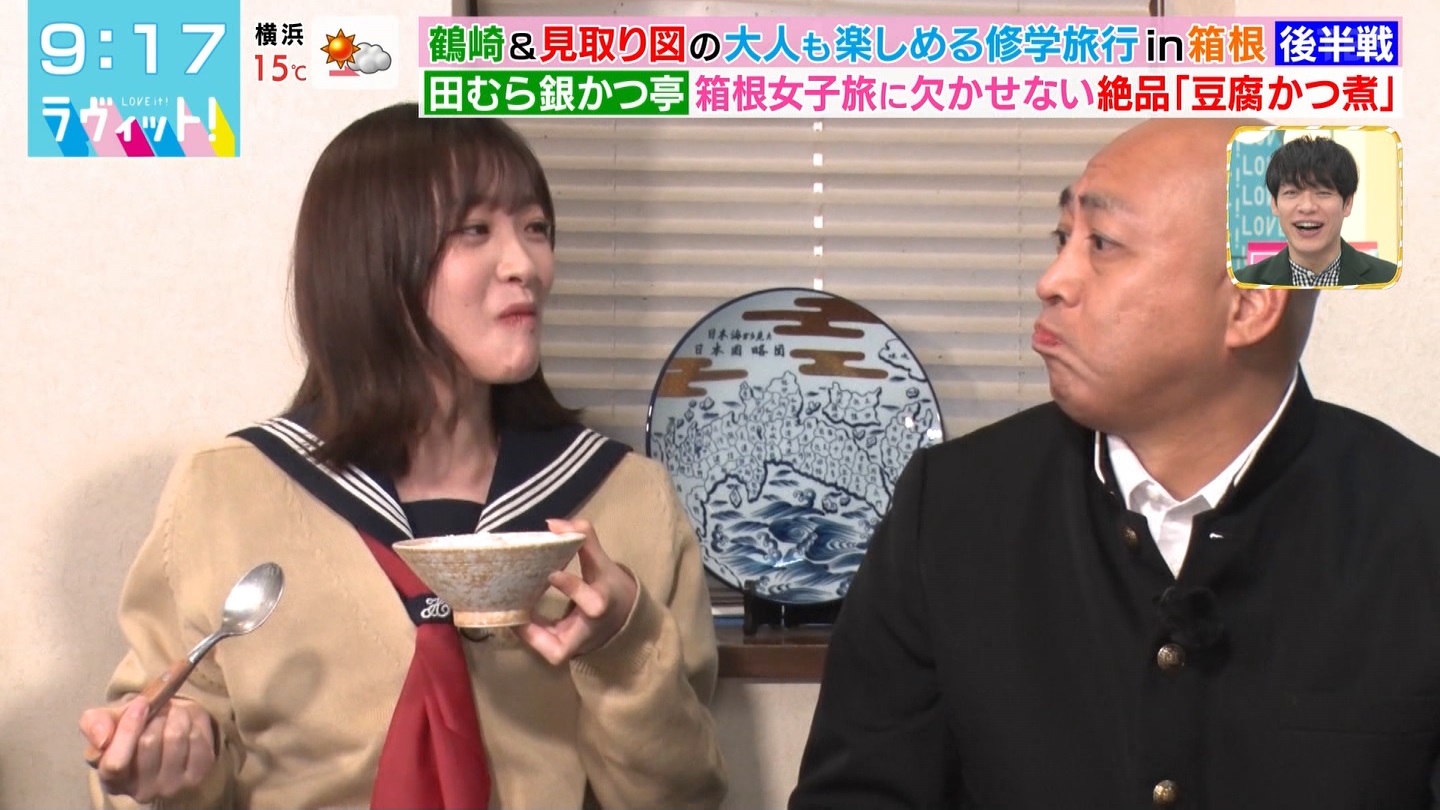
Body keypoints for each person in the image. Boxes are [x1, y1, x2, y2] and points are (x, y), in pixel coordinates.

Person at [78, 102, 727, 810]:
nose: (526, 265)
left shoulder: (625, 497)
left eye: (536, 228)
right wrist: (166, 765)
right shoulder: (227, 491)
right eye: (475, 230)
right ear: (371, 259)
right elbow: (147, 746)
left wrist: (624, 646)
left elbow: (684, 797)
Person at [790, 119, 1440, 809]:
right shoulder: (954, 509)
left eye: (1102, 243)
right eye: (1061, 238)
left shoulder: (1418, 528)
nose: (1052, 281)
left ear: (1250, 305)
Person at [1234, 134, 1398, 287]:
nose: (1307, 207)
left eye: (1323, 193)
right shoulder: (1243, 283)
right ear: (1274, 204)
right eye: (1292, 193)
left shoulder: (1388, 279)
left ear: (1347, 203)